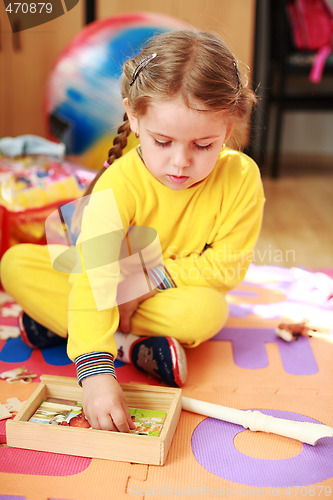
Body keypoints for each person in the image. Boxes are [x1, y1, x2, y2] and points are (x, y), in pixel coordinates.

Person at [1, 29, 265, 433]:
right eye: (163, 141)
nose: (180, 163)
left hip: (165, 293)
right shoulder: (117, 185)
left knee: (207, 311)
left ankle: (63, 326)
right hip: (100, 281)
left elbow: (226, 266)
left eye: (203, 145)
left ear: (228, 128)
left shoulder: (242, 178)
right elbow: (94, 276)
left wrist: (144, 282)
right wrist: (93, 373)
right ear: (135, 117)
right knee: (16, 264)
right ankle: (126, 348)